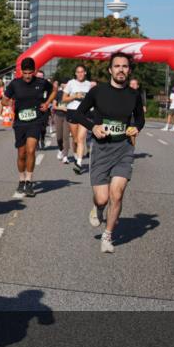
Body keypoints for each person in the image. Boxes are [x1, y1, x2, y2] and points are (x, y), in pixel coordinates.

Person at [72, 52, 145, 253]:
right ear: (110, 70)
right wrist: (93, 127)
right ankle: (98, 207)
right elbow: (78, 113)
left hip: (124, 149)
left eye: (125, 66)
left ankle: (108, 235)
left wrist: (136, 127)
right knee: (102, 198)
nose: (121, 70)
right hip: (101, 149)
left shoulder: (134, 95)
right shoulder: (98, 92)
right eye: (117, 66)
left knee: (117, 194)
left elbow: (140, 119)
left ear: (129, 70)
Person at [2, 58, 54, 198]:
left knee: (31, 150)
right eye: (25, 73)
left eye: (30, 73)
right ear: (21, 72)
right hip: (20, 122)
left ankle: (29, 181)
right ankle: (21, 180)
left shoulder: (41, 82)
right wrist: (7, 102)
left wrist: (47, 103)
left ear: (34, 71)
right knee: (21, 153)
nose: (27, 76)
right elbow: (3, 100)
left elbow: (53, 90)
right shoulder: (15, 84)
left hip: (35, 121)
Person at [63, 65, 94, 174]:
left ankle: (79, 163)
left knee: (81, 139)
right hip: (72, 112)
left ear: (85, 72)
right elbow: (64, 99)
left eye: (82, 72)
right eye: (78, 72)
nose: (80, 74)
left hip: (85, 113)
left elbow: (93, 99)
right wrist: (75, 96)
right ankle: (76, 155)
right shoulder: (71, 83)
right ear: (75, 73)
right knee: (75, 139)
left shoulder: (89, 84)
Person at [52, 80, 71, 164]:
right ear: (62, 85)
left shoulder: (71, 94)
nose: (66, 85)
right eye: (65, 83)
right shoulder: (58, 93)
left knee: (66, 136)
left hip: (68, 117)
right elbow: (54, 106)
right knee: (59, 137)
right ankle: (60, 149)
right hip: (58, 116)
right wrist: (62, 108)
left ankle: (65, 156)